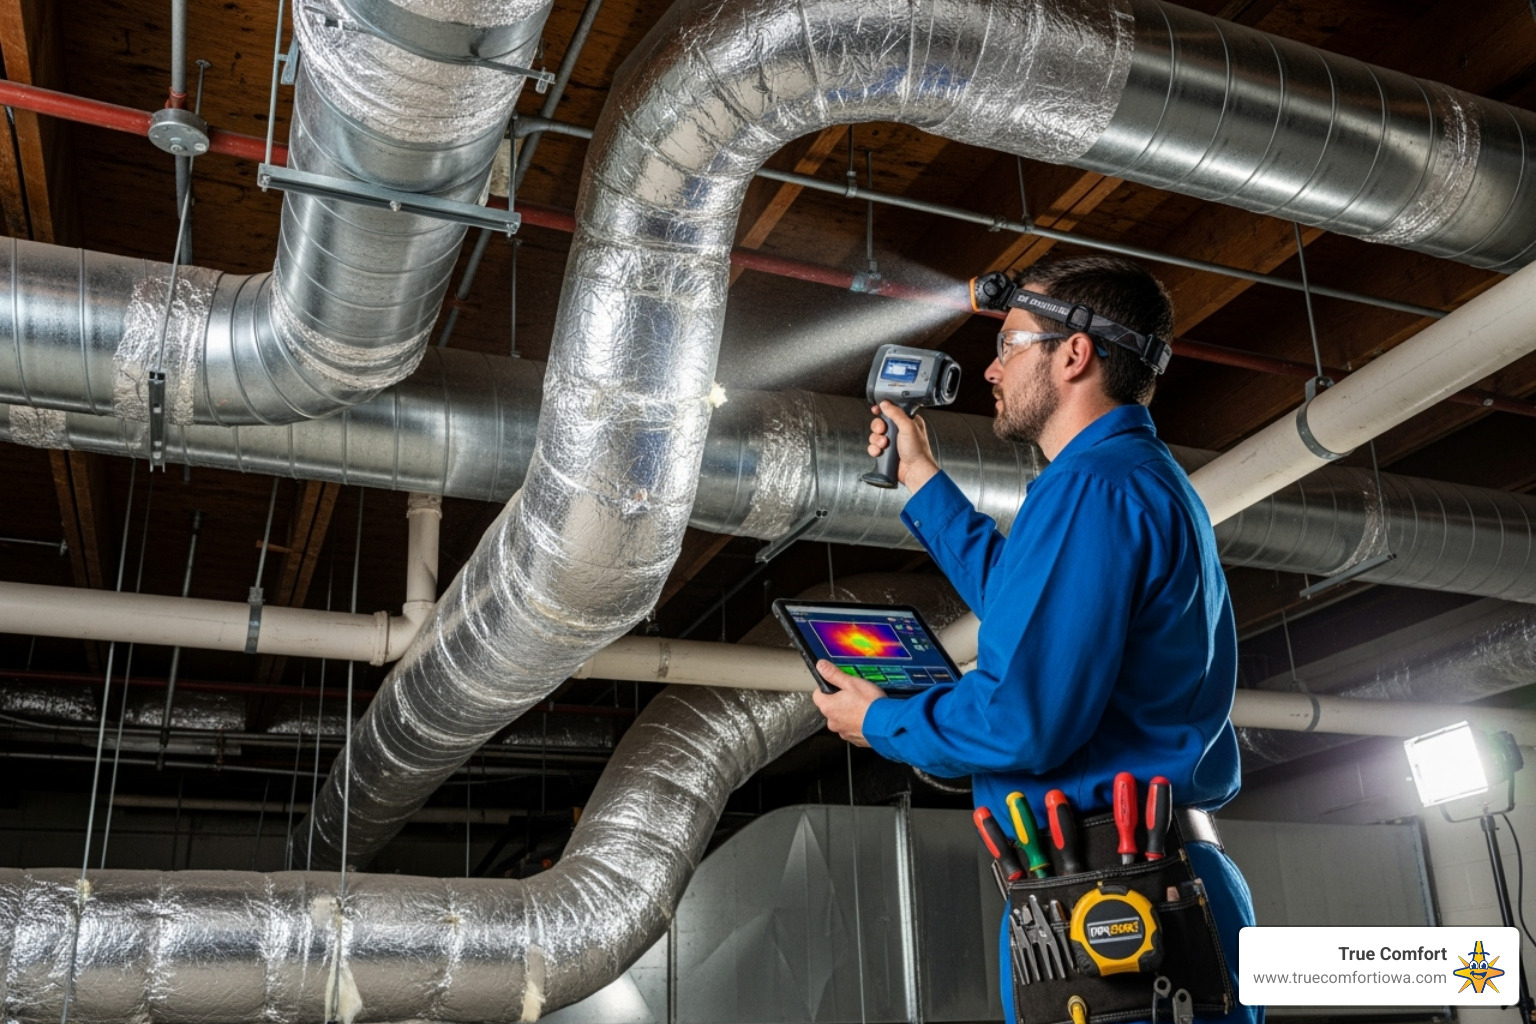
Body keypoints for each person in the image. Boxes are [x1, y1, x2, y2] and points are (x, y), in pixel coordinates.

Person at [811, 255, 1259, 1024]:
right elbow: (1034, 613)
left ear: (1074, 355)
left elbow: (1022, 718)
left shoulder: (1094, 488)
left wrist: (881, 721)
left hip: (1118, 905)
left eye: (1010, 344)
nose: (991, 368)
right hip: (1125, 889)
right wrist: (920, 477)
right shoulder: (1130, 478)